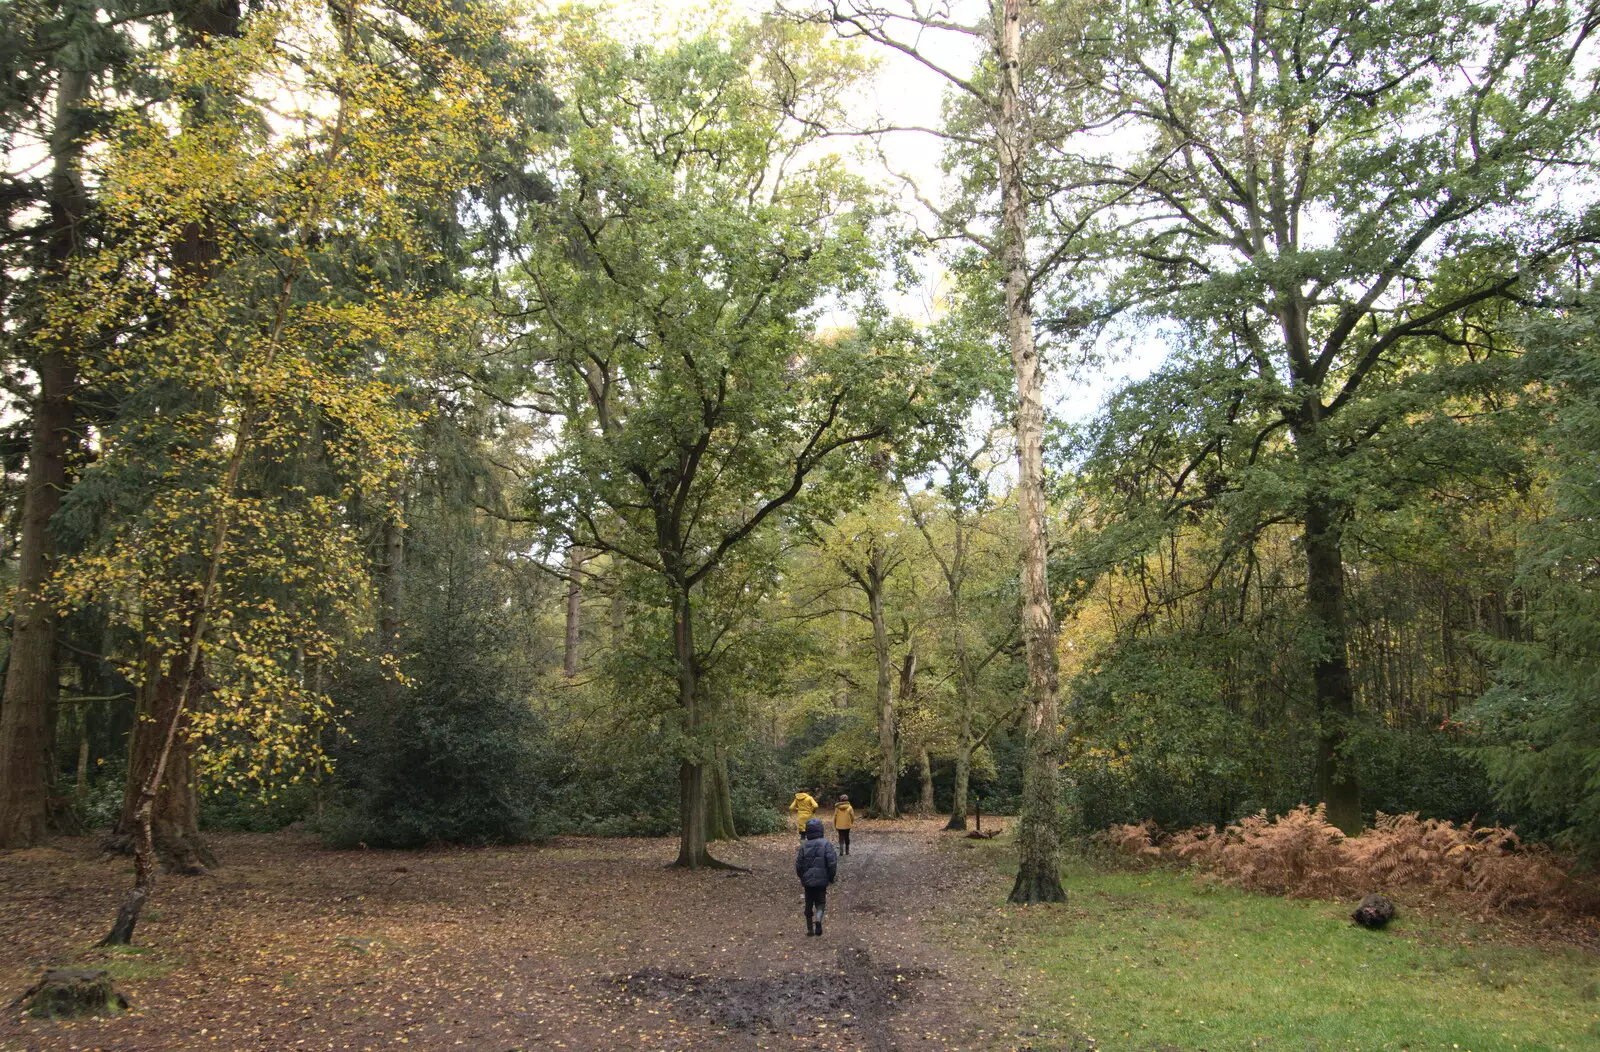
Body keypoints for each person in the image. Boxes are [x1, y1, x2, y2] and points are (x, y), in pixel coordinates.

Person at [795, 816, 838, 936]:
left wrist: (801, 877)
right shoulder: (826, 844)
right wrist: (831, 877)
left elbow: (799, 864)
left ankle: (809, 929)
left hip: (808, 881)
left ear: (808, 831)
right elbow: (832, 863)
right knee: (820, 901)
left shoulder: (804, 846)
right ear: (821, 830)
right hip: (822, 879)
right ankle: (818, 919)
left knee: (808, 903)